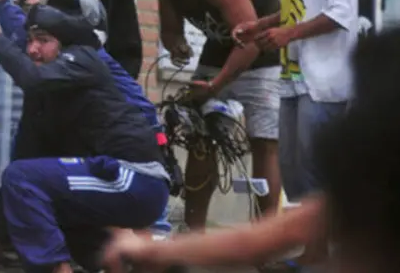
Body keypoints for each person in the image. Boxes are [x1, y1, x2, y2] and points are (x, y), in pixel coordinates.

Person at [102, 27, 400, 273]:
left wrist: (152, 250)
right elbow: (269, 237)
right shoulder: (366, 190)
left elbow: (270, 238)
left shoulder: (365, 176)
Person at [0, 0, 169, 273]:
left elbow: (30, 76)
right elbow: (16, 183)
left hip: (136, 176)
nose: (32, 49)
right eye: (30, 41)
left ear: (64, 43)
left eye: (42, 40)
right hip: (111, 179)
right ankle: (119, 260)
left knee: (23, 178)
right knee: (32, 194)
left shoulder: (82, 59)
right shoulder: (45, 99)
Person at [233, 0, 358, 268]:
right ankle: (313, 250)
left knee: (316, 167)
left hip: (325, 81)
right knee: (293, 168)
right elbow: (293, 9)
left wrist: (289, 34)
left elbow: (341, 13)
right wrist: (261, 25)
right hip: (292, 78)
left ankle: (322, 254)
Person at [133, 0, 282, 229]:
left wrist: (216, 85)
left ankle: (266, 237)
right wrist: (177, 46)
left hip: (263, 52)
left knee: (263, 142)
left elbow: (250, 42)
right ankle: (194, 230)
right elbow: (171, 31)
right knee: (200, 137)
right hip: (218, 51)